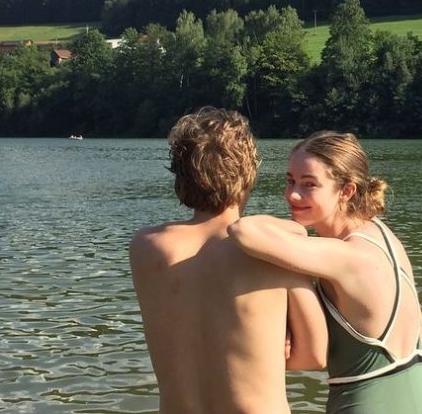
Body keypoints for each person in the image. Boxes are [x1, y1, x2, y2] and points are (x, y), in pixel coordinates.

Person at [228, 131, 422, 414]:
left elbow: (243, 231)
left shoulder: (344, 256)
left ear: (346, 191)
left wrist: (296, 231)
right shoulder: (385, 238)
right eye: (290, 180)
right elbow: (419, 326)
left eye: (309, 185)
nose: (293, 194)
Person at [129, 107, 327, 414]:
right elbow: (315, 353)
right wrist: (264, 350)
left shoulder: (145, 247)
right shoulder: (275, 248)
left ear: (180, 174)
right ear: (248, 172)